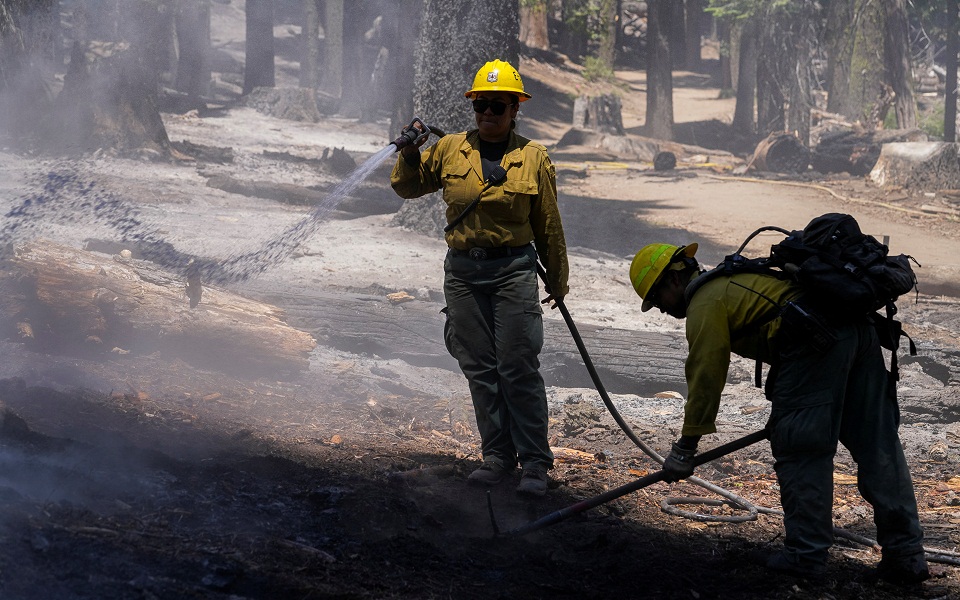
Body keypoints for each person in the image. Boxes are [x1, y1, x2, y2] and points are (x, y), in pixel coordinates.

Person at [628, 241, 929, 584]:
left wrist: (685, 448)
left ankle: (806, 556)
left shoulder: (705, 302)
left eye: (658, 301)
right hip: (857, 333)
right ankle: (906, 554)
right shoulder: (734, 279)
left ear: (673, 281)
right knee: (878, 446)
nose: (663, 311)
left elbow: (706, 377)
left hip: (816, 341)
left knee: (801, 447)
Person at [390, 59, 569, 497]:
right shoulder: (451, 149)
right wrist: (410, 151)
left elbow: (548, 224)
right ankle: (497, 457)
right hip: (464, 272)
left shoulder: (533, 157)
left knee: (518, 365)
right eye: (480, 106)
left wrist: (557, 281)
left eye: (497, 106)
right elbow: (408, 187)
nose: (487, 113)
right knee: (480, 368)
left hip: (514, 272)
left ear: (514, 111)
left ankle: (534, 465)